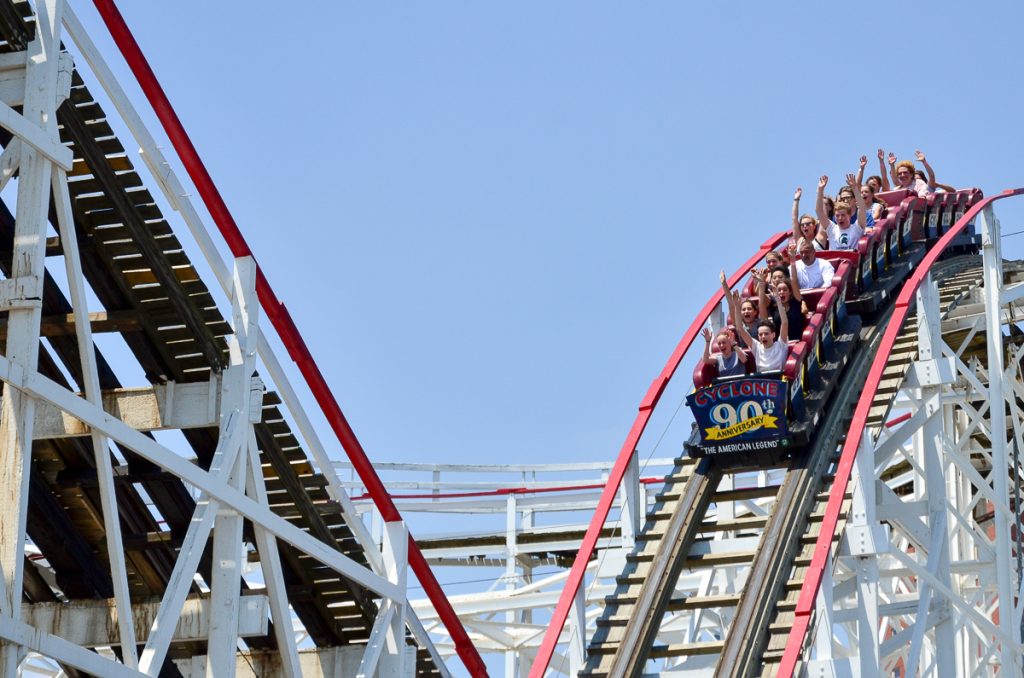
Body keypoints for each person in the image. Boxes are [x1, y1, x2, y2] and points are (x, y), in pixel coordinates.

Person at [733, 291, 789, 373]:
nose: (763, 336)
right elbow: (740, 330)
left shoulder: (781, 345)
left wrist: (778, 300)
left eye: (766, 334)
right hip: (762, 382)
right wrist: (737, 306)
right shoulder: (757, 347)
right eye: (760, 334)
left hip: (779, 380)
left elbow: (784, 323)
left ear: (773, 335)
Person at [816, 174, 866, 251]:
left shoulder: (857, 228)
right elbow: (819, 211)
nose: (840, 218)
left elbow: (862, 208)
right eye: (837, 216)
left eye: (843, 215)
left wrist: (855, 188)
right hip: (836, 261)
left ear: (849, 216)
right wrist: (820, 190)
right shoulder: (832, 229)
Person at [756, 269, 806, 341]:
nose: (781, 292)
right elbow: (761, 299)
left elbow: (794, 280)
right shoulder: (773, 304)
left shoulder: (796, 301)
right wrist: (761, 282)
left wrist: (792, 261)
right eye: (779, 290)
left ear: (790, 292)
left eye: (785, 290)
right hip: (781, 345)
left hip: (799, 342)